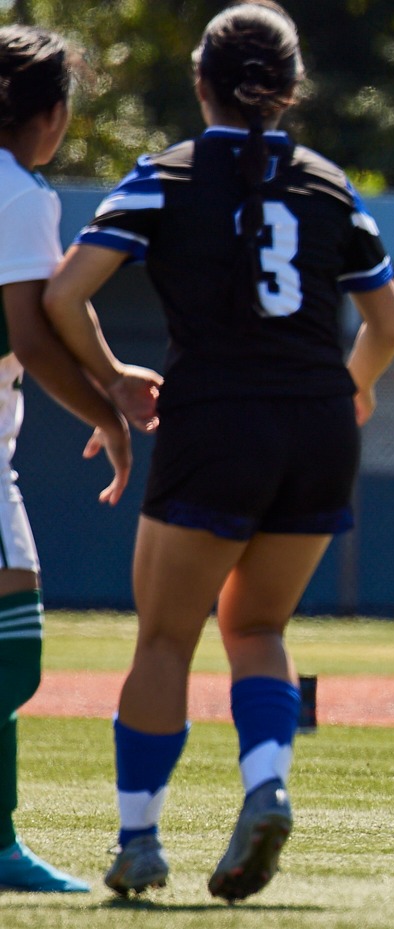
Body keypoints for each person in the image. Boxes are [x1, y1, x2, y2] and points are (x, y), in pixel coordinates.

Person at [41, 0, 394, 901]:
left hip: (217, 422)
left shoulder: (165, 175)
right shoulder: (329, 182)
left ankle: (138, 840)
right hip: (317, 424)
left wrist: (116, 377)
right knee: (259, 627)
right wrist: (353, 386)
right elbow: (389, 322)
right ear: (289, 90)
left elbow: (64, 294)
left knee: (167, 635)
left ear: (200, 81)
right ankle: (267, 782)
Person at [0, 23, 166, 894]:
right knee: (10, 655)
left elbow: (49, 308)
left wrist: (107, 376)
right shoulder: (20, 193)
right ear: (52, 113)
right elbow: (28, 327)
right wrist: (109, 413)